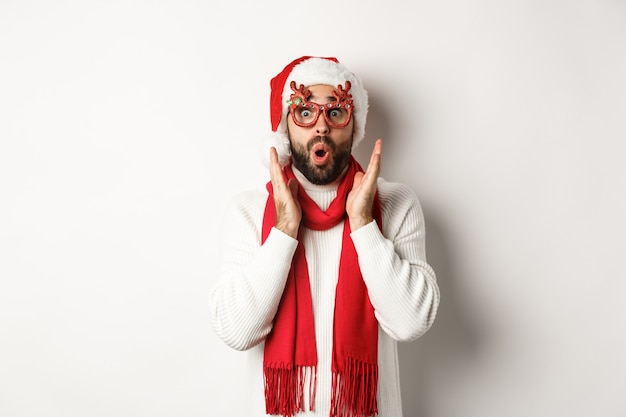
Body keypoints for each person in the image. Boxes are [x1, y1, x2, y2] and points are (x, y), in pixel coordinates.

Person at [209, 56, 440, 417]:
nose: (321, 127)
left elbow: (410, 323)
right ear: (286, 129)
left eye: (335, 113)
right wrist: (284, 230)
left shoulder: (395, 203)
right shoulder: (249, 211)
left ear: (354, 125)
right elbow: (237, 332)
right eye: (304, 112)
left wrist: (364, 223)